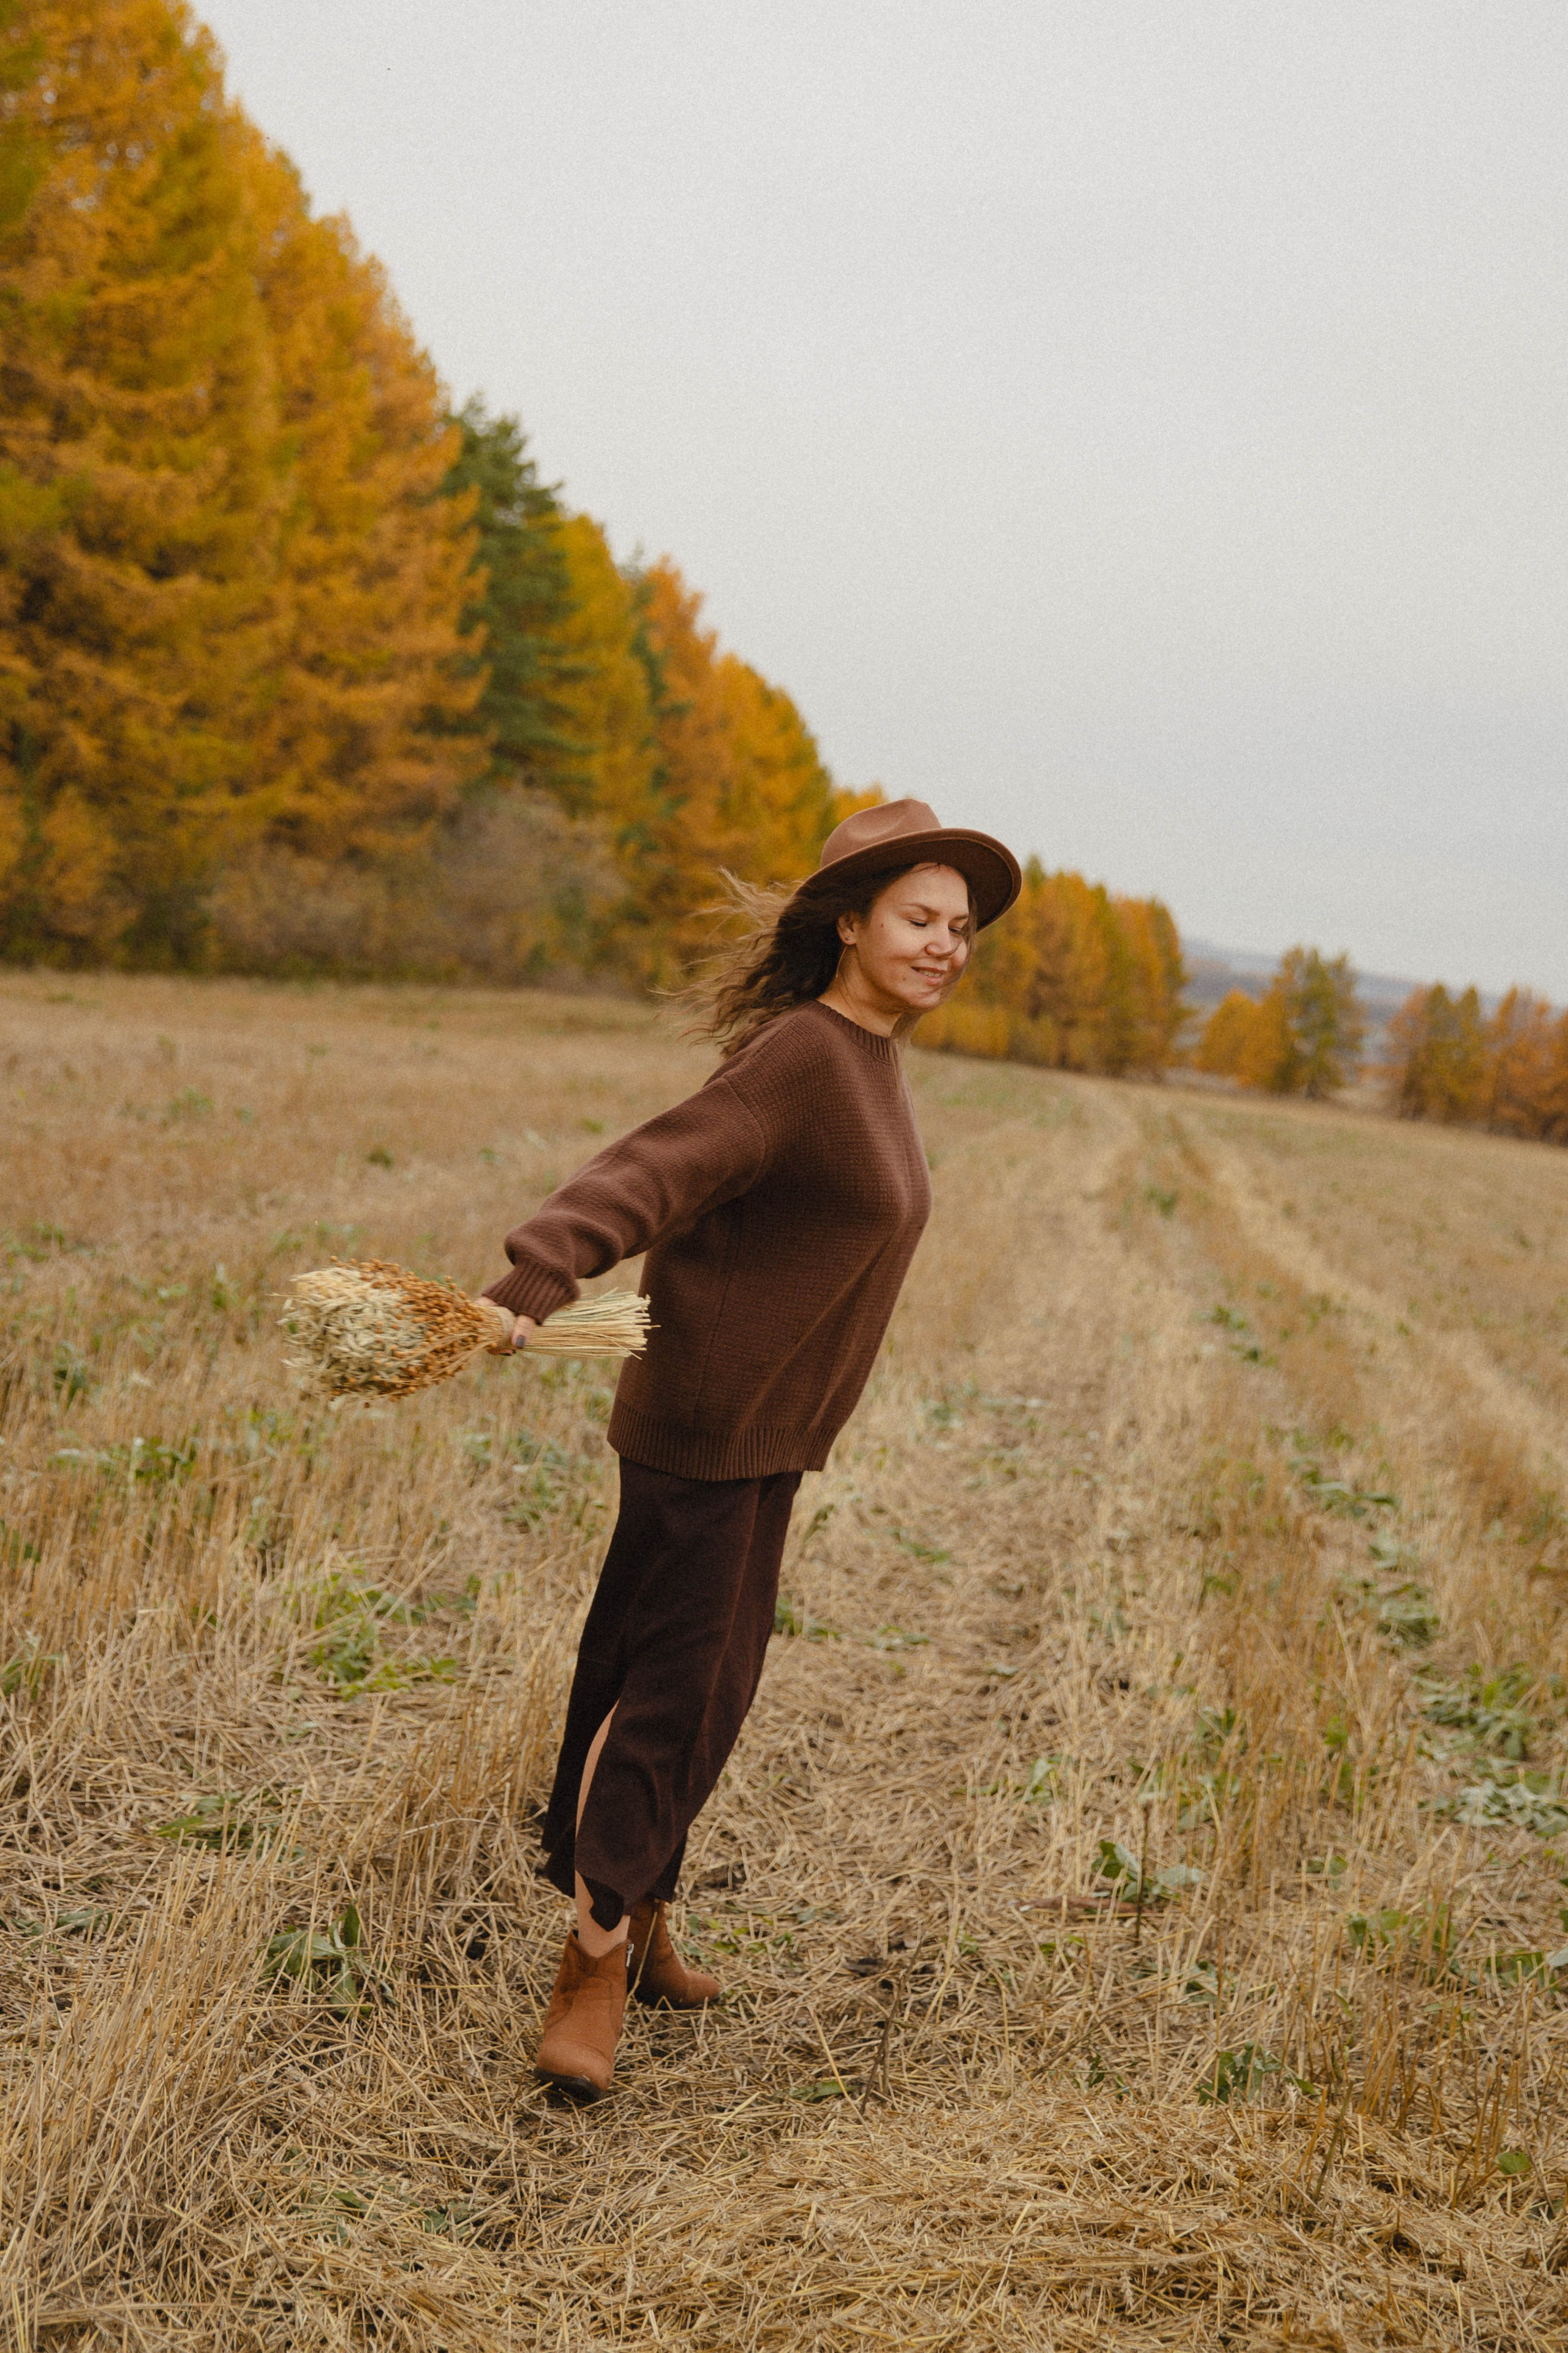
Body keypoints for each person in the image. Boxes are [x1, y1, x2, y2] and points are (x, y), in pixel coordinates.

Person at [480, 796, 1020, 2101]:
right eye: (918, 918)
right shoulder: (804, 1055)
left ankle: (642, 1914)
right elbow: (656, 1167)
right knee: (662, 1696)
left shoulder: (868, 1059)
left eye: (959, 928)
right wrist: (543, 1266)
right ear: (849, 924)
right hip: (706, 1427)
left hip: (765, 1434)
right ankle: (590, 1959)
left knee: (710, 1688)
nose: (945, 945)